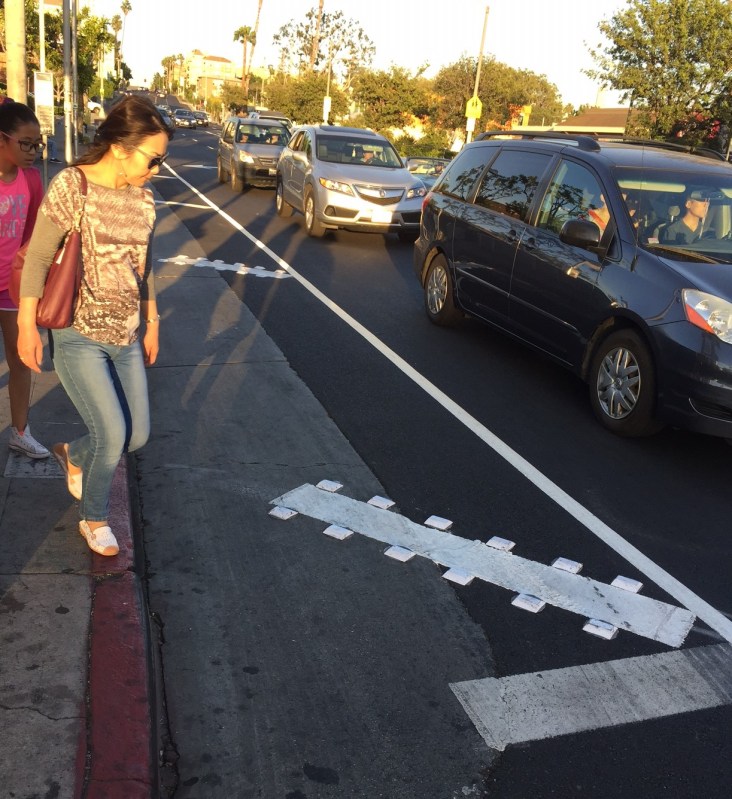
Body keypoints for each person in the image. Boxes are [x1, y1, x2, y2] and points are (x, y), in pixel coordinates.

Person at [16, 95, 172, 556]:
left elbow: (144, 268)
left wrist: (152, 321)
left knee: (136, 435)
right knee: (112, 434)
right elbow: (40, 258)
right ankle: (95, 518)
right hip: (78, 334)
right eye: (153, 158)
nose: (156, 169)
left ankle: (72, 454)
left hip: (125, 336)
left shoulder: (145, 200)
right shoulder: (73, 185)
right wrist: (28, 325)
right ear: (122, 146)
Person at [0, 101, 50, 459]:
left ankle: (20, 432)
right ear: (2, 140)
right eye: (26, 144)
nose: (34, 152)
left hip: (10, 288)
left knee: (20, 361)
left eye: (38, 144)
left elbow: (34, 235)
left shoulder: (31, 180)